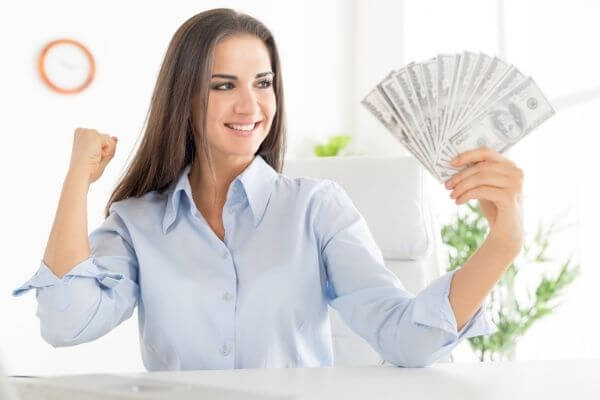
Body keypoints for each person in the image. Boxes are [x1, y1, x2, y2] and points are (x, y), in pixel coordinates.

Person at [13, 8, 524, 370]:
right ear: (182, 97)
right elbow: (65, 324)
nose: (250, 106)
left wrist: (504, 242)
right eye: (223, 85)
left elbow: (405, 340)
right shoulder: (136, 222)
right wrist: (76, 182)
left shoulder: (316, 208)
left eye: (263, 82)